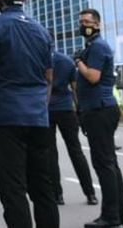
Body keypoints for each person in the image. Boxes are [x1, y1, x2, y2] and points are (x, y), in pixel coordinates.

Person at [0, 0, 58, 228]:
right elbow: (49, 78)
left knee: (13, 189)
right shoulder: (42, 30)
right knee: (43, 188)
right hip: (38, 119)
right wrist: (40, 109)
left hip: (8, 119)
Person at [74, 9, 123, 228]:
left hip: (99, 110)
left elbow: (92, 77)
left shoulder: (97, 46)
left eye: (87, 22)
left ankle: (111, 217)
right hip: (99, 109)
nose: (83, 25)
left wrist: (78, 62)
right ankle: (122, 215)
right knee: (110, 164)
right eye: (81, 21)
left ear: (97, 24)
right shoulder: (94, 46)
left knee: (104, 164)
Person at [48, 50, 98, 206]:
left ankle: (57, 195)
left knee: (50, 153)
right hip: (66, 110)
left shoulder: (38, 59)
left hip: (46, 110)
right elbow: (75, 88)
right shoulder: (67, 61)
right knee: (76, 151)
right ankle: (90, 193)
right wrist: (79, 110)